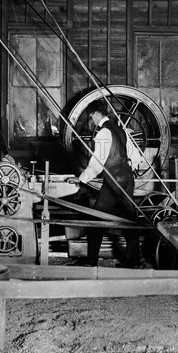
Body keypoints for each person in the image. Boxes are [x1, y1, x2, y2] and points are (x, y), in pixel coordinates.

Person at [68, 99, 141, 268]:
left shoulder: (103, 133)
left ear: (97, 114)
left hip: (114, 182)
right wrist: (129, 168)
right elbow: (135, 156)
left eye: (92, 116)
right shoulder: (121, 131)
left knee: (97, 219)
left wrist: (81, 179)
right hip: (127, 179)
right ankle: (134, 261)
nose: (91, 119)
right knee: (130, 219)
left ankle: (92, 260)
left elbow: (97, 162)